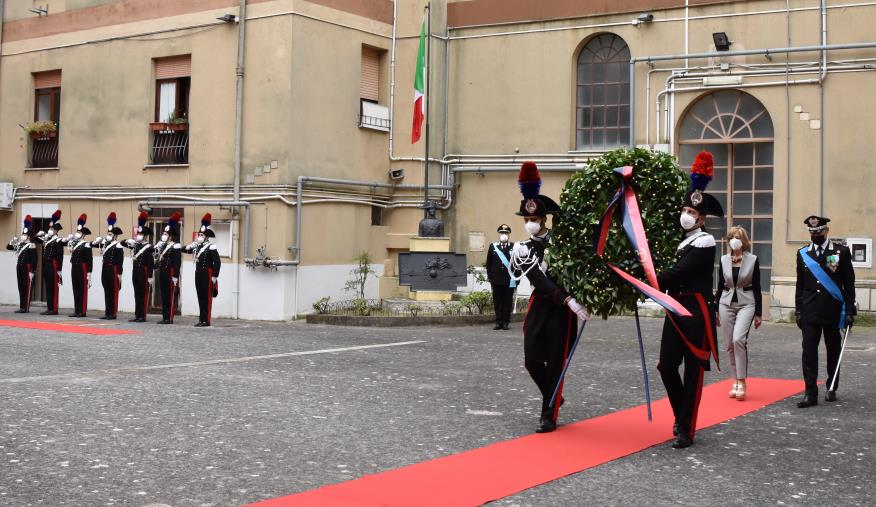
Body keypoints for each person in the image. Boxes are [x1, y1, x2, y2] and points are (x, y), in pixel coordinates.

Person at [510, 161, 590, 434]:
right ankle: (554, 395)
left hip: (562, 313)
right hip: (542, 305)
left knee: (556, 361)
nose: (530, 224)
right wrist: (568, 299)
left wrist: (581, 296)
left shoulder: (561, 243)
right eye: (527, 220)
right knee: (532, 360)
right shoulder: (522, 248)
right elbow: (536, 280)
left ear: (544, 219)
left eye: (534, 219)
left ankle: (549, 414)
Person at [656, 151, 723, 449]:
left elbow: (677, 273)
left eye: (692, 212)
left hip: (696, 310)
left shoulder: (705, 241)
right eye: (685, 209)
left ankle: (686, 429)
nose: (687, 215)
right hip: (675, 309)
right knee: (667, 366)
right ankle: (681, 413)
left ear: (702, 218)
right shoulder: (682, 241)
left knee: (694, 371)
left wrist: (649, 278)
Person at [795, 215, 856, 407]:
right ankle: (810, 392)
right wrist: (798, 309)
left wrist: (850, 309)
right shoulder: (803, 253)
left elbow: (849, 283)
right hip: (810, 310)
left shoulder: (840, 252)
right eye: (812, 232)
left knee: (833, 351)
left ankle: (832, 386)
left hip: (833, 310)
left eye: (819, 232)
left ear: (826, 231)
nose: (816, 235)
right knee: (809, 352)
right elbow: (800, 284)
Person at [716, 225, 762, 401]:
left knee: (738, 340)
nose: (735, 240)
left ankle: (742, 381)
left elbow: (757, 286)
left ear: (744, 241)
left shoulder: (753, 260)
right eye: (732, 237)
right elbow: (720, 284)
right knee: (729, 343)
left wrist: (758, 313)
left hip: (747, 302)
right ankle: (734, 380)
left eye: (738, 237)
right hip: (725, 302)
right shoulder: (723, 259)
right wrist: (715, 311)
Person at [184, 213, 221, 327]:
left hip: (207, 274)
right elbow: (184, 250)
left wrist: (215, 275)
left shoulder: (211, 246)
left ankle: (206, 320)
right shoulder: (197, 246)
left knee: (207, 298)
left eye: (202, 235)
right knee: (200, 296)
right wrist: (189, 246)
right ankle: (201, 319)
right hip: (198, 274)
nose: (199, 236)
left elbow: (217, 262)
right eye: (199, 234)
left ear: (206, 236)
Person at [92, 212, 125, 320]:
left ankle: (113, 314)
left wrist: (119, 274)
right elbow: (93, 244)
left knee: (113, 293)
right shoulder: (105, 243)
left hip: (114, 270)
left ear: (115, 236)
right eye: (108, 234)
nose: (108, 236)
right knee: (107, 292)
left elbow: (120, 261)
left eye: (110, 235)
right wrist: (96, 240)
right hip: (105, 270)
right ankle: (107, 313)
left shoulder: (118, 245)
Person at [124, 211, 155, 323]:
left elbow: (151, 262)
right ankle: (137, 315)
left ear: (145, 236)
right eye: (138, 234)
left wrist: (150, 276)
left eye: (141, 235)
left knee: (143, 294)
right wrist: (128, 240)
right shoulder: (135, 245)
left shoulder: (148, 247)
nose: (139, 236)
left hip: (144, 272)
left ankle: (142, 316)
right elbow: (123, 243)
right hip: (135, 271)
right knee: (136, 294)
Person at [63, 214, 93, 317]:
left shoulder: (86, 245)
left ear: (83, 234)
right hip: (74, 267)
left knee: (82, 290)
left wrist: (89, 273)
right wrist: (67, 239)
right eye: (77, 232)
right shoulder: (73, 243)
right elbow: (63, 244)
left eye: (79, 232)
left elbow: (90, 260)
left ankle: (82, 311)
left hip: (82, 268)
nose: (77, 234)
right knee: (75, 289)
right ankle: (76, 310)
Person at [486, 224, 515, 330]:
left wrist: (517, 279)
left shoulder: (513, 247)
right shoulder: (493, 246)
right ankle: (498, 322)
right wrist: (490, 277)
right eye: (502, 233)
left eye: (506, 233)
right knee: (497, 301)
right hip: (496, 280)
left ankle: (506, 322)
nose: (504, 235)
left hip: (509, 280)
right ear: (499, 234)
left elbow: (517, 264)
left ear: (509, 234)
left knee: (507, 302)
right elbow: (488, 263)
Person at [6, 215, 38, 313]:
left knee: (27, 287)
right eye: (22, 235)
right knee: (21, 286)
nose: (23, 236)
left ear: (28, 236)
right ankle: (22, 307)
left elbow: (34, 260)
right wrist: (12, 241)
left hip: (27, 268)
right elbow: (9, 247)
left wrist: (32, 271)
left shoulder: (31, 245)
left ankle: (26, 307)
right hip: (19, 267)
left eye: (24, 235)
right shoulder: (20, 244)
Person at [155, 212, 182, 324]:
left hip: (170, 272)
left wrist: (175, 276)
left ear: (170, 235)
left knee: (170, 295)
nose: (164, 235)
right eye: (164, 234)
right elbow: (158, 258)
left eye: (166, 234)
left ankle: (169, 317)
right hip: (163, 272)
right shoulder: (163, 245)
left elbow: (177, 262)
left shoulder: (175, 246)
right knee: (164, 295)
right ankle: (164, 316)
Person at [37, 210, 65, 315]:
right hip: (46, 265)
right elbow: (36, 239)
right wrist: (39, 234)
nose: (50, 230)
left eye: (52, 229)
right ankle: (49, 308)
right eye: (50, 228)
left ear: (56, 231)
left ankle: (54, 309)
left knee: (53, 287)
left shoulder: (58, 240)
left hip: (53, 265)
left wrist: (59, 269)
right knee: (48, 286)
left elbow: (60, 256)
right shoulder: (46, 239)